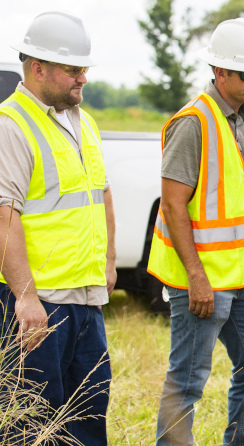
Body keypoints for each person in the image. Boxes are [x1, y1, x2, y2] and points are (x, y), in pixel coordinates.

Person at [147, 18, 244, 446]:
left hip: (239, 278)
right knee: (187, 383)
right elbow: (172, 204)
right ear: (219, 72)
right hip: (199, 280)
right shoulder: (193, 123)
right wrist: (196, 277)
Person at [0, 11, 115, 445]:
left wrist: (106, 265)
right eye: (73, 69)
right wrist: (26, 298)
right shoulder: (11, 125)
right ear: (38, 68)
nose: (82, 77)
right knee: (31, 425)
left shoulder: (83, 122)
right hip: (38, 307)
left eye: (84, 68)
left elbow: (101, 194)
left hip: (85, 302)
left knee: (87, 420)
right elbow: (3, 215)